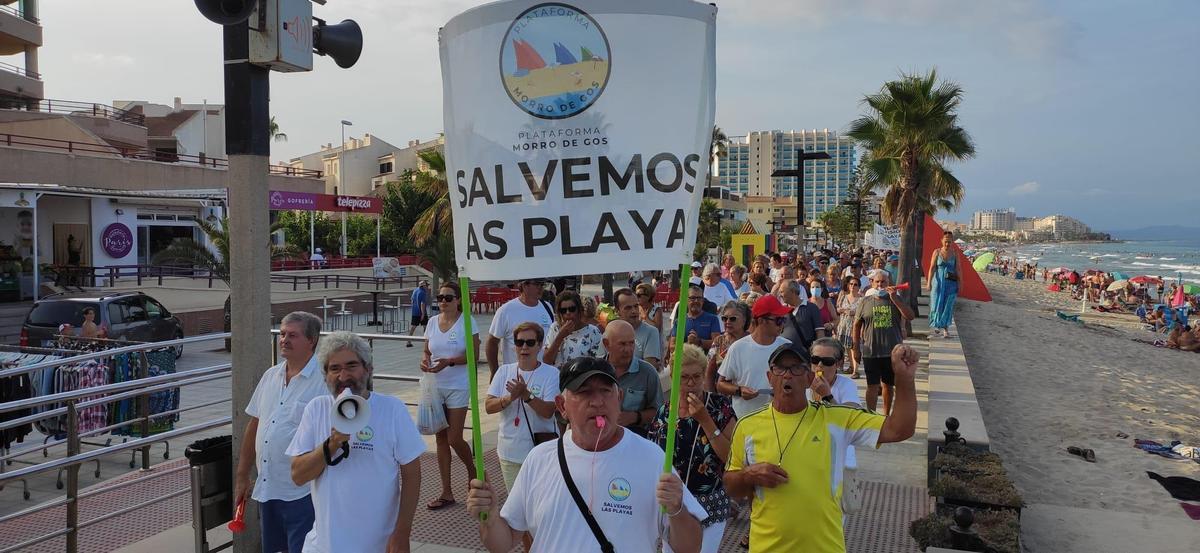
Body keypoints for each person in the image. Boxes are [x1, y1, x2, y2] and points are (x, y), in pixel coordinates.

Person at [467, 357, 706, 553]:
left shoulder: (652, 458)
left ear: (619, 399)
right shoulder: (539, 459)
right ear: (562, 406)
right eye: (584, 392)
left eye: (606, 391)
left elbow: (690, 548)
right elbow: (504, 541)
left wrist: (676, 510)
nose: (598, 401)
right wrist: (489, 519)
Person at [723, 343, 919, 552]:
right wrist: (747, 476)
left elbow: (900, 429)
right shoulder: (747, 425)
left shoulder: (836, 419)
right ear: (770, 377)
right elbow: (730, 486)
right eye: (780, 368)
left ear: (809, 379)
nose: (787, 375)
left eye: (797, 368)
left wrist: (904, 379)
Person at [287, 331, 425, 553]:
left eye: (351, 366)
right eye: (335, 368)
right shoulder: (316, 409)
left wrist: (402, 533)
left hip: (378, 545)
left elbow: (412, 475)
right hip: (323, 546)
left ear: (368, 369)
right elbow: (298, 475)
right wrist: (331, 444)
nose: (343, 376)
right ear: (325, 375)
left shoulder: (392, 409)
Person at [235, 312, 327, 553]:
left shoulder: (325, 381)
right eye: (283, 333)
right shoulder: (270, 376)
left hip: (304, 494)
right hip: (269, 489)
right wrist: (243, 475)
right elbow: (254, 424)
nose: (284, 339)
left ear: (312, 340)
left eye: (293, 335)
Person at [648, 344, 737, 553]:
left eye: (697, 377)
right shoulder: (663, 413)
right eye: (684, 377)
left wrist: (705, 420)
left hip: (711, 505)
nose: (691, 384)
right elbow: (653, 458)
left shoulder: (719, 406)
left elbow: (731, 458)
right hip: (675, 507)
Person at [421, 284, 480, 510]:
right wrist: (425, 361)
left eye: (448, 297)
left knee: (455, 437)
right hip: (435, 385)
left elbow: (473, 355)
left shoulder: (468, 321)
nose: (443, 301)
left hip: (458, 385)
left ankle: (473, 471)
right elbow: (427, 350)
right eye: (440, 297)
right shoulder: (432, 322)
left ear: (458, 300)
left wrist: (450, 361)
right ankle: (446, 491)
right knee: (440, 439)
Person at [486, 322, 560, 493]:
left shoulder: (551, 373)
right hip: (509, 452)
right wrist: (509, 398)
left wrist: (527, 395)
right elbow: (489, 406)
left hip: (540, 452)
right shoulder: (504, 371)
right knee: (516, 506)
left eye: (530, 342)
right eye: (519, 343)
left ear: (540, 345)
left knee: (540, 502)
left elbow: (549, 412)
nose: (524, 347)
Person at [716, 294, 792, 419]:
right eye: (778, 320)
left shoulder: (787, 347)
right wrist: (739, 391)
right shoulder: (738, 348)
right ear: (761, 321)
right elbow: (721, 384)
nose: (782, 325)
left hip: (779, 419)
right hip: (745, 420)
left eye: (783, 320)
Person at [852, 271, 915, 415]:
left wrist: (895, 299)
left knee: (888, 385)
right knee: (872, 386)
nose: (880, 285)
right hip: (871, 351)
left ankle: (886, 416)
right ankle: (871, 415)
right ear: (872, 283)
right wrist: (856, 348)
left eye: (883, 282)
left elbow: (910, 316)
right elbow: (856, 325)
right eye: (877, 282)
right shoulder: (864, 301)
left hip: (892, 352)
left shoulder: (896, 298)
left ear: (889, 284)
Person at [602, 320, 664, 436]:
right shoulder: (596, 371)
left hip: (636, 439)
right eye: (622, 344)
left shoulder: (647, 373)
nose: (628, 349)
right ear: (606, 344)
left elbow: (660, 413)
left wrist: (635, 417)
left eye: (631, 343)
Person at [487, 279, 554, 378]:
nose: (541, 288)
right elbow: (492, 342)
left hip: (543, 375)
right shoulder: (506, 310)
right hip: (515, 377)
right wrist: (494, 372)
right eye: (537, 284)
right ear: (524, 285)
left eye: (542, 284)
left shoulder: (547, 307)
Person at [598, 287, 663, 369]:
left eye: (636, 306)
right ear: (617, 311)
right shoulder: (610, 333)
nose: (634, 311)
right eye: (628, 308)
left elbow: (649, 367)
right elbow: (600, 363)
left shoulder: (651, 332)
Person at [544, 290, 603, 366]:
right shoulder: (555, 328)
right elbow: (546, 361)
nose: (568, 313)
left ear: (579, 310)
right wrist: (560, 337)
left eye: (572, 309)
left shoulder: (592, 331)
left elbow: (599, 363)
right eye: (563, 310)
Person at [705, 301, 751, 391]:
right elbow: (709, 371)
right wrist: (711, 396)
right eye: (724, 318)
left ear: (744, 320)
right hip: (721, 397)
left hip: (746, 394)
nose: (728, 322)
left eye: (733, 319)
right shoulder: (719, 341)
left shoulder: (751, 341)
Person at [927, 231, 960, 338]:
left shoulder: (955, 253)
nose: (947, 244)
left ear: (952, 242)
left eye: (949, 242)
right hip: (938, 282)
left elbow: (958, 269)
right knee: (936, 303)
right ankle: (936, 325)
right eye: (946, 242)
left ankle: (946, 329)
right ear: (942, 241)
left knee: (947, 305)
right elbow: (932, 268)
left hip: (951, 283)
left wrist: (960, 283)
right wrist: (928, 283)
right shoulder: (936, 252)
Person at [778, 279, 825, 354]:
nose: (780, 295)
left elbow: (820, 332)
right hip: (784, 354)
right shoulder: (781, 310)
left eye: (782, 292)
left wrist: (819, 353)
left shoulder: (811, 308)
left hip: (804, 355)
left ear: (792, 292)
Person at [836, 276, 864, 378]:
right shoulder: (844, 296)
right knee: (847, 347)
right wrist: (844, 310)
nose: (852, 286)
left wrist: (853, 312)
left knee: (854, 348)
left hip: (855, 327)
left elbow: (863, 313)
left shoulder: (861, 299)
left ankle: (856, 370)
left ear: (859, 287)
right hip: (843, 325)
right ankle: (851, 366)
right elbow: (838, 308)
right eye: (851, 284)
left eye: (855, 284)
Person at [684, 284, 723, 351]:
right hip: (684, 360)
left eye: (699, 298)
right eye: (692, 298)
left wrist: (698, 342)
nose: (696, 301)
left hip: (706, 360)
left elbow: (717, 344)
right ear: (687, 300)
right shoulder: (680, 321)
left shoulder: (713, 319)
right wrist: (688, 344)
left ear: (703, 300)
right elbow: (672, 346)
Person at [408, 280, 431, 348]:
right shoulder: (423, 292)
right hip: (421, 312)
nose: (427, 287)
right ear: (423, 286)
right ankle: (426, 342)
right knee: (425, 327)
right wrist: (423, 314)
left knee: (413, 327)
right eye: (427, 285)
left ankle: (408, 341)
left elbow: (412, 300)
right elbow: (422, 304)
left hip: (414, 311)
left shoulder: (415, 290)